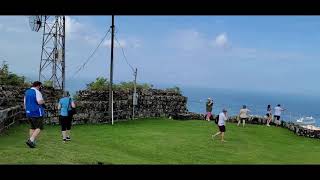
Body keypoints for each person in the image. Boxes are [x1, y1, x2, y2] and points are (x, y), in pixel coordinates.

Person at [24, 81, 45, 148]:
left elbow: (24, 103)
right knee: (39, 127)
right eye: (40, 86)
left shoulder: (27, 92)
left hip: (28, 112)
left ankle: (31, 142)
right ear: (38, 86)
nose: (40, 88)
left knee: (32, 127)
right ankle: (31, 140)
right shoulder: (37, 92)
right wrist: (43, 101)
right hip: (37, 112)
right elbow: (39, 102)